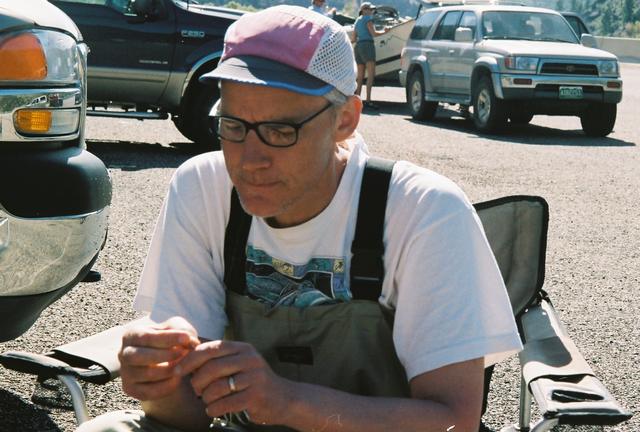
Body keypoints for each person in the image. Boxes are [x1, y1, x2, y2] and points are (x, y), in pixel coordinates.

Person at [78, 5, 522, 432]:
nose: (250, 160)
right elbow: (188, 415)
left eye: (280, 131)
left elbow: (453, 420)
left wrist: (287, 402)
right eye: (233, 126)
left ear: (345, 120)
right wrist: (159, 384)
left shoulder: (423, 210)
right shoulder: (203, 188)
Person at [352, 2, 386, 109]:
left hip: (358, 47)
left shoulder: (357, 20)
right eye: (369, 9)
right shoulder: (368, 19)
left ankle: (357, 101)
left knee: (360, 77)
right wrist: (386, 31)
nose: (371, 11)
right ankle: (368, 100)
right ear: (364, 10)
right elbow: (374, 34)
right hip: (367, 45)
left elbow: (353, 38)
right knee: (371, 75)